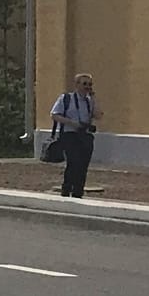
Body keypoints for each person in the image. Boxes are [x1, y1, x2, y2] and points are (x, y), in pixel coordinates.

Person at [49, 72, 100, 200]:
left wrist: (94, 98)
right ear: (77, 85)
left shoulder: (89, 101)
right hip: (69, 134)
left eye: (90, 84)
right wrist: (72, 123)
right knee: (73, 162)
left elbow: (98, 115)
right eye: (84, 84)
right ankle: (66, 190)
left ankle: (78, 192)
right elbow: (54, 115)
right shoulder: (66, 99)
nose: (87, 87)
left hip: (85, 135)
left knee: (83, 164)